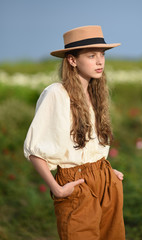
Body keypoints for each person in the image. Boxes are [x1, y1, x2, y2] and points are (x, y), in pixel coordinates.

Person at [24, 25, 125, 240]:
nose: (100, 62)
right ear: (72, 60)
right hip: (76, 186)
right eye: (91, 55)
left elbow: (88, 144)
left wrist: (104, 169)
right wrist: (57, 189)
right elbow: (34, 150)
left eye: (102, 55)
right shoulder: (56, 93)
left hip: (106, 180)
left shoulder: (95, 93)